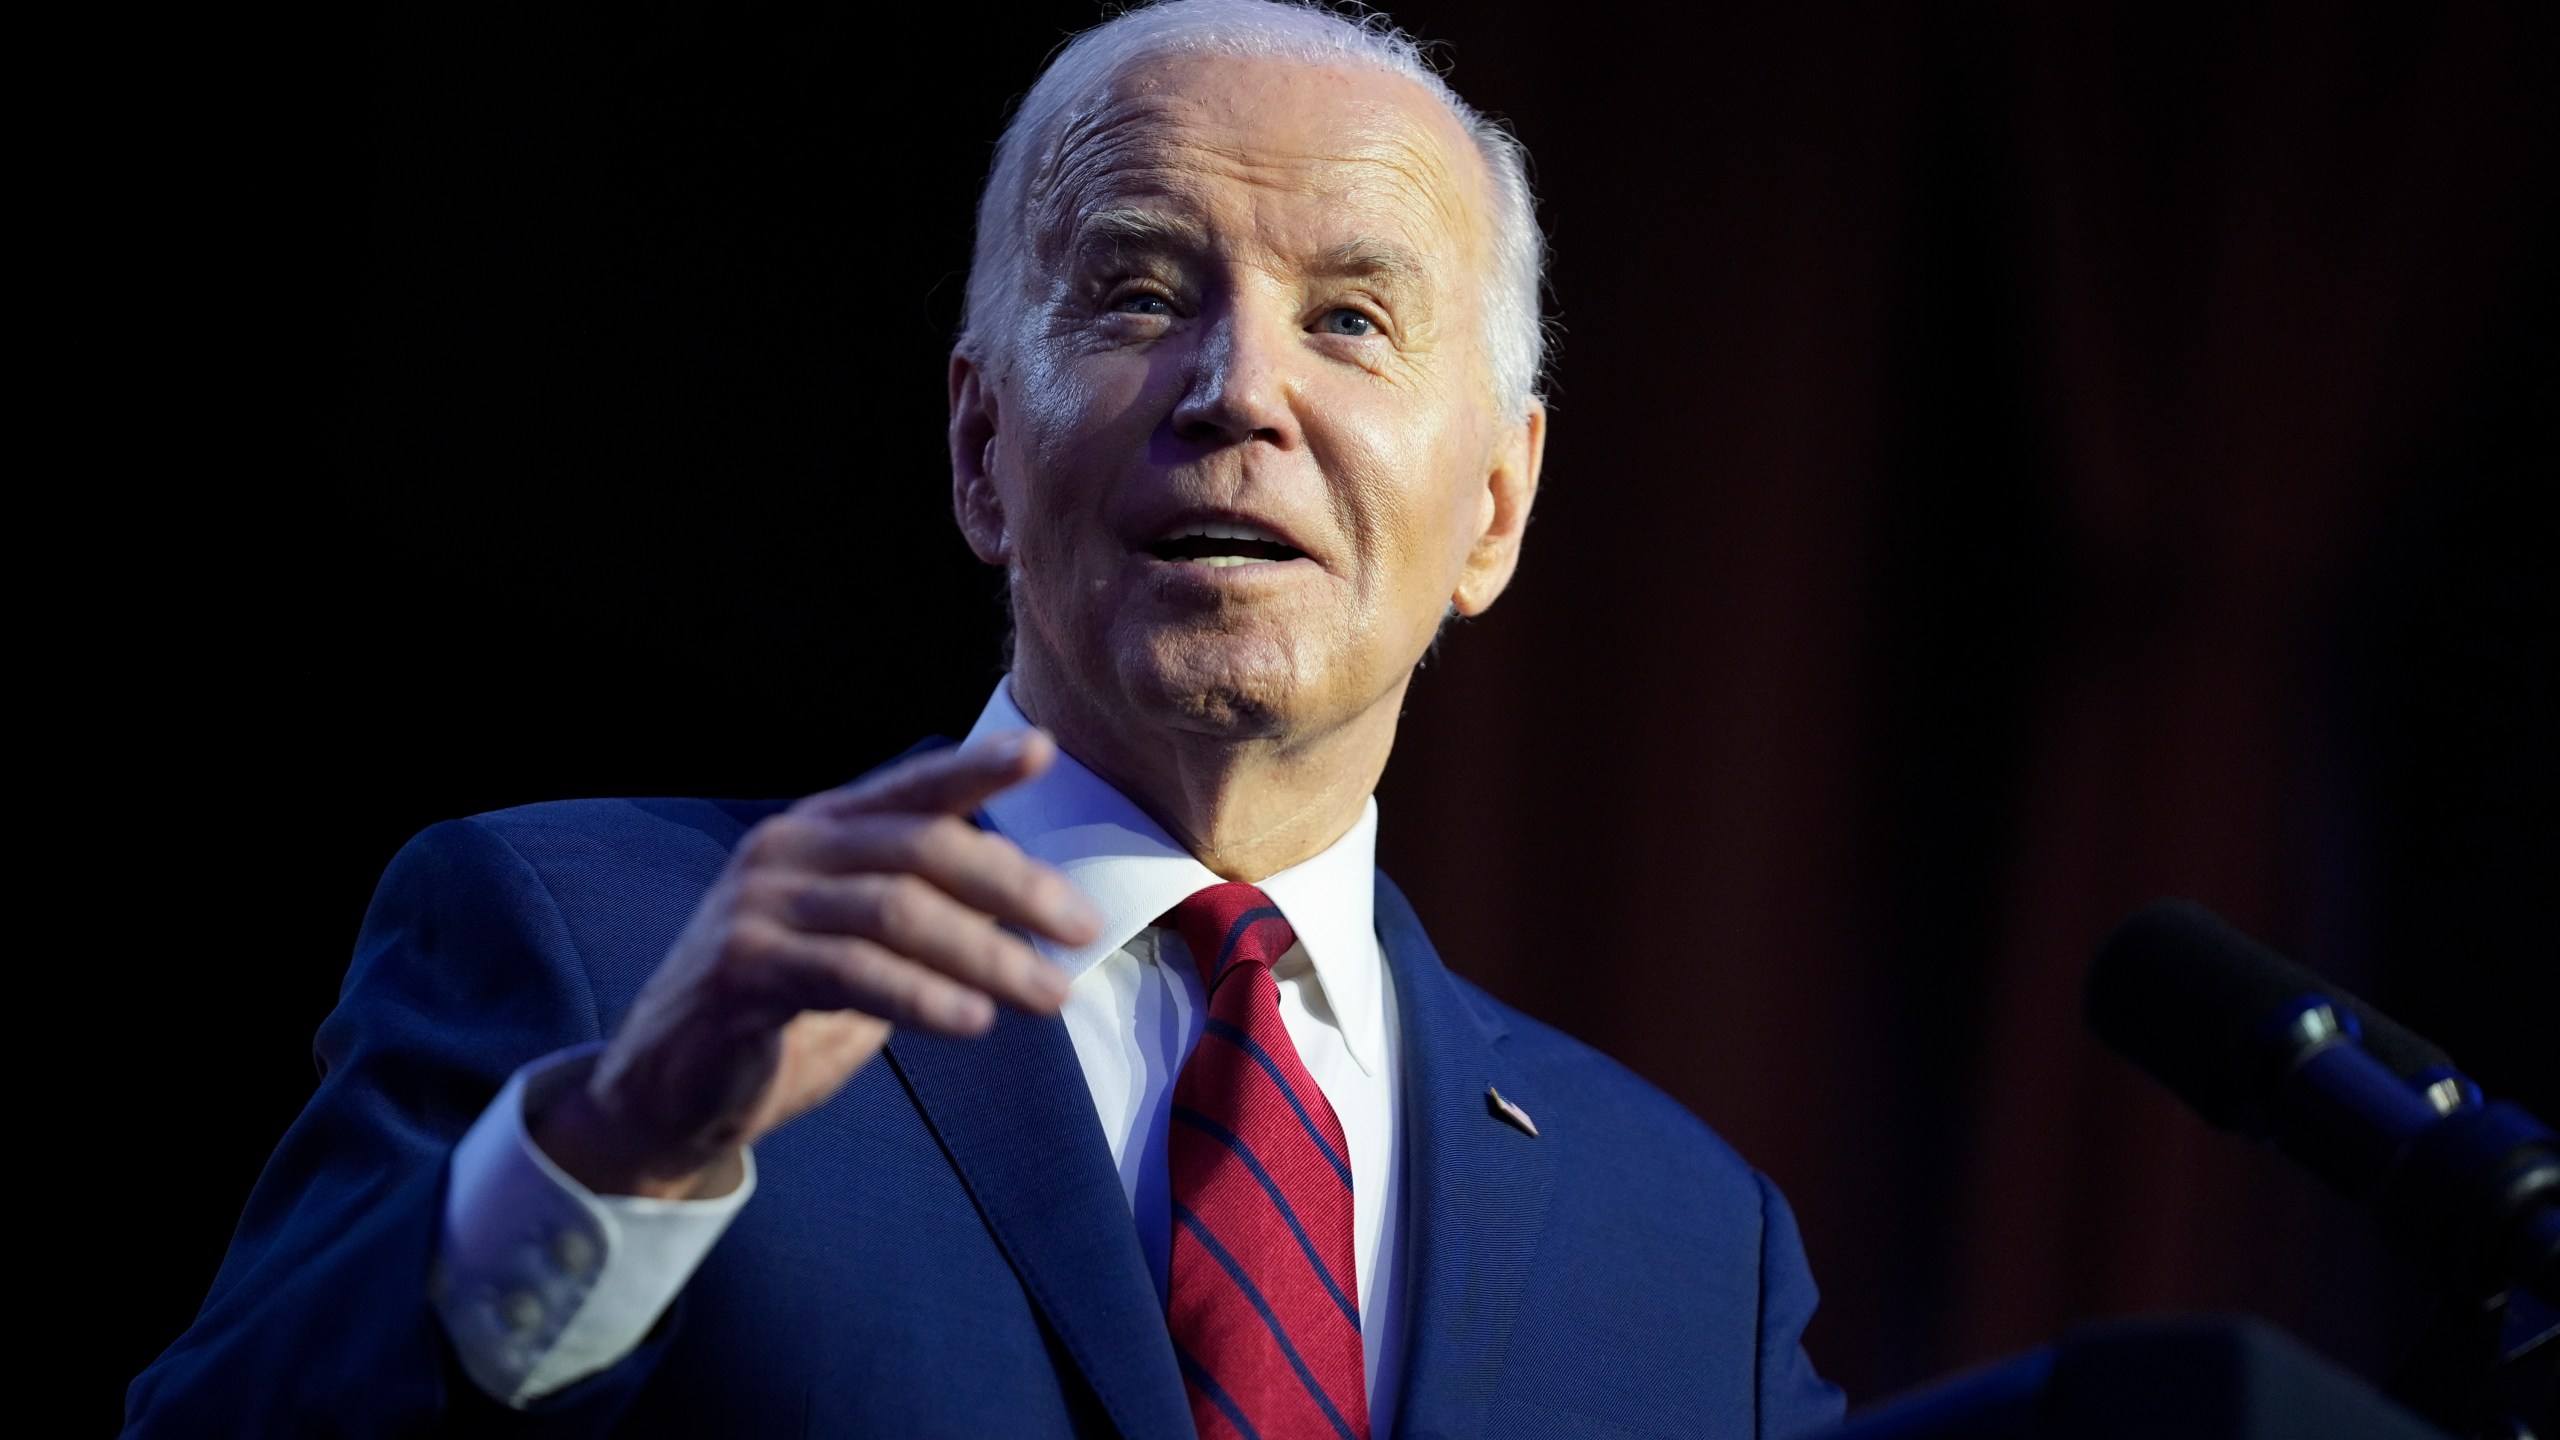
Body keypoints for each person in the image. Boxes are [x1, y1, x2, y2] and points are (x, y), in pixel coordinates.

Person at [128, 2, 1846, 1435]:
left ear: (1493, 505)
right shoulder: (597, 956)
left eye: (1350, 318)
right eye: (1142, 292)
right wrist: (612, 1153)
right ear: (979, 451)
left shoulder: (1692, 1247)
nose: (1239, 389)